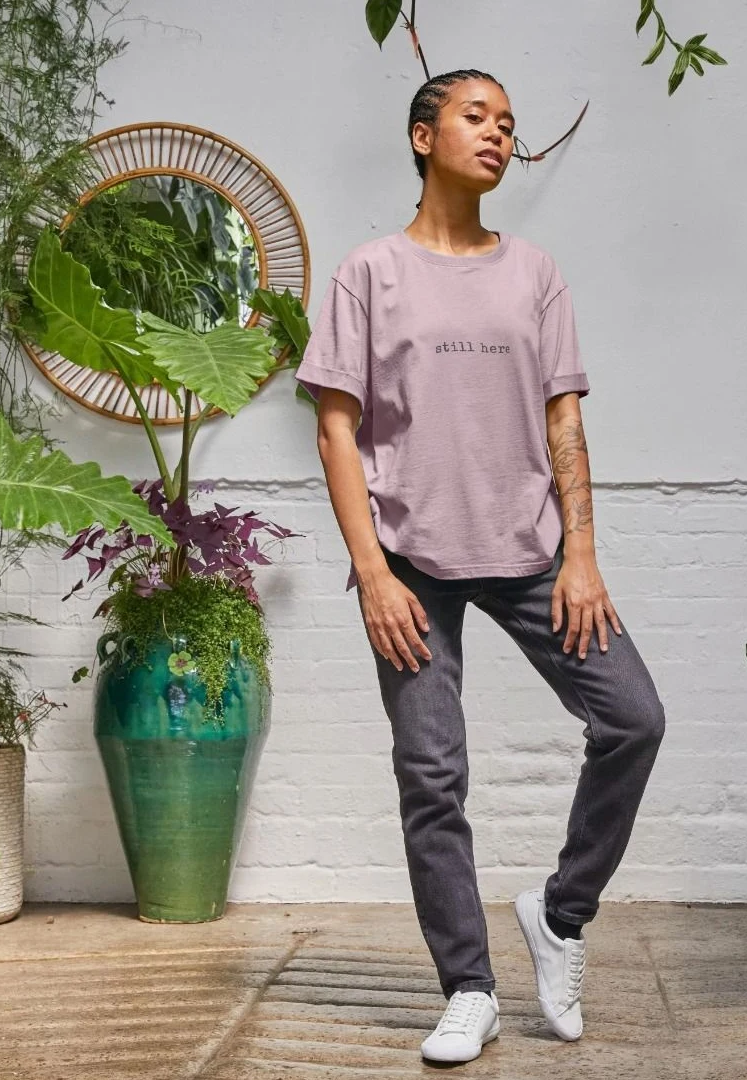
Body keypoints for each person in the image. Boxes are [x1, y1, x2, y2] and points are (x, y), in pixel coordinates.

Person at [294, 68, 666, 1065]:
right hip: (410, 561)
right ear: (424, 136)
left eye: (508, 122)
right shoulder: (369, 272)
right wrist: (373, 574)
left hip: (531, 550)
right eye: (476, 116)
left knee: (634, 718)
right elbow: (336, 430)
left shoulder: (534, 273)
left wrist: (582, 554)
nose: (498, 133)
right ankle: (469, 988)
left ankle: (560, 912)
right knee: (432, 774)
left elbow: (564, 419)